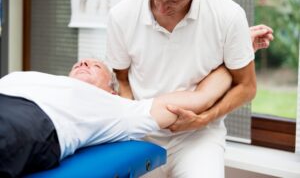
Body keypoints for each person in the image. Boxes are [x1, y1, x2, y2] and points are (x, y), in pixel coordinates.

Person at [105, 0, 274, 177]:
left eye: (173, 1)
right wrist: (132, 127)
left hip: (198, 135)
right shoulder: (121, 15)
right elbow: (122, 80)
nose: (160, 8)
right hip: (143, 134)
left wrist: (205, 119)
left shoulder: (228, 15)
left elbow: (247, 87)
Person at [0, 58, 231, 177]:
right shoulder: (28, 77)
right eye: (79, 63)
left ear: (110, 90)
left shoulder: (116, 106)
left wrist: (235, 57)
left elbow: (202, 97)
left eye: (95, 66)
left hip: (31, 121)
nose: (83, 63)